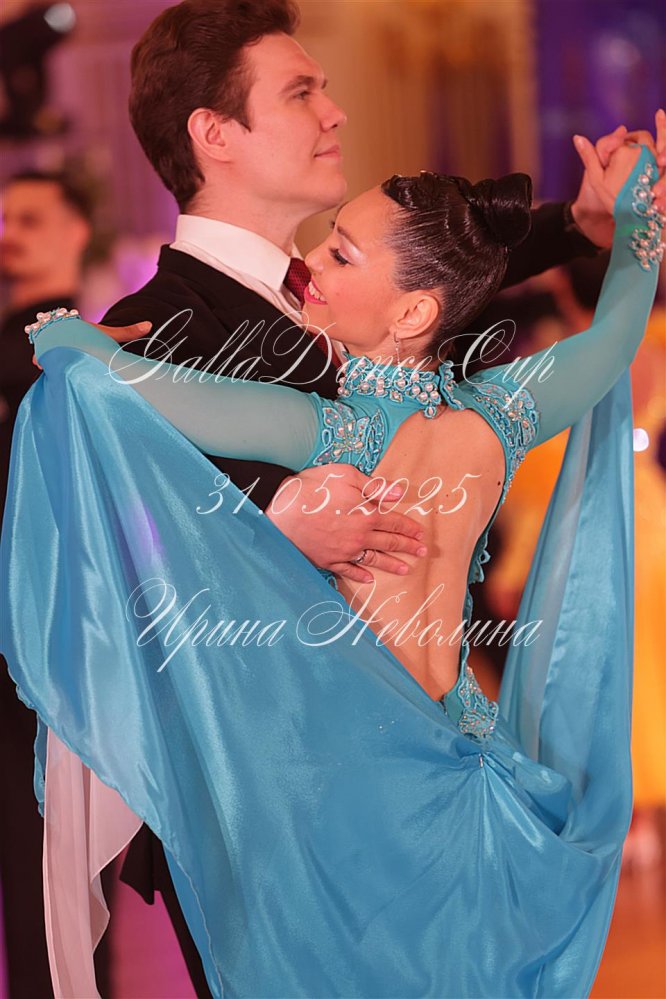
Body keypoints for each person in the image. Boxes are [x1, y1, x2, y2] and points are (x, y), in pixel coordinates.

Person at [2, 107, 663, 999]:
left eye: (343, 255)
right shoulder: (500, 416)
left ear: (414, 310)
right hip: (476, 780)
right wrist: (642, 218)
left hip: (353, 801)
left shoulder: (326, 430)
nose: (310, 263)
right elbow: (616, 336)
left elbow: (150, 392)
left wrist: (68, 337)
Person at [0, 170, 94, 999]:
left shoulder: (92, 350)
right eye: (3, 220)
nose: (9, 235)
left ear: (77, 230)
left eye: (30, 218)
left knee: (60, 876)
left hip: (57, 651)